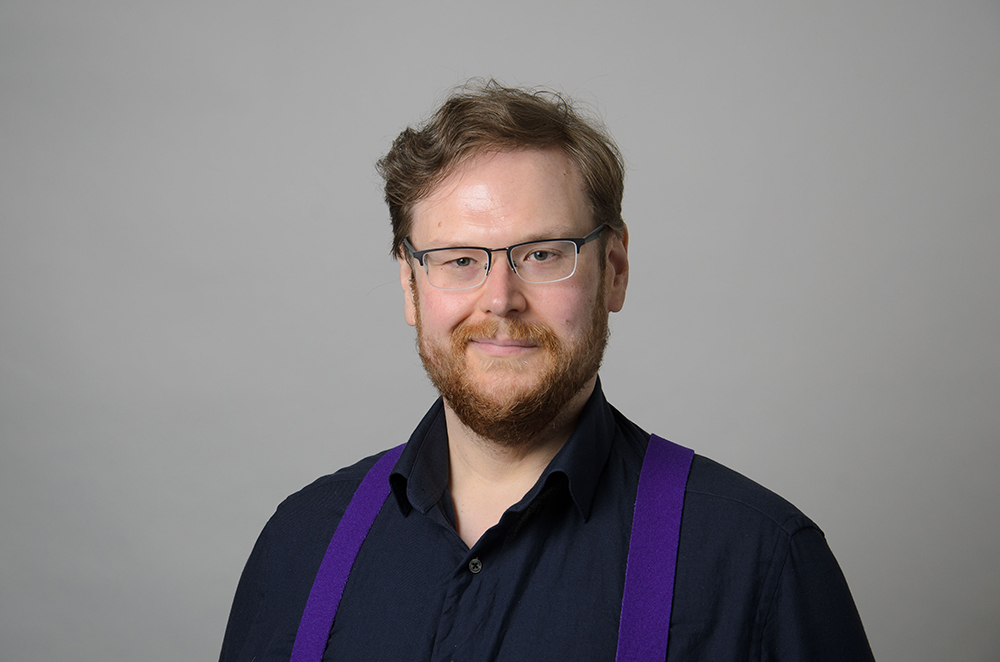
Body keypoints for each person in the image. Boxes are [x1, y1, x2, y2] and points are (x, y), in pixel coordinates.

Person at [219, 81, 875, 661]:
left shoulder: (759, 561)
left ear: (613, 270)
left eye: (541, 253)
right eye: (457, 260)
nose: (500, 298)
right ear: (410, 286)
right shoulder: (299, 546)